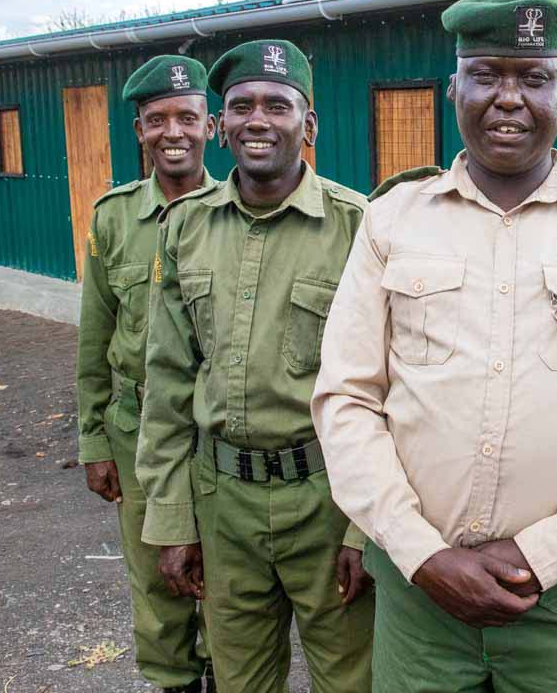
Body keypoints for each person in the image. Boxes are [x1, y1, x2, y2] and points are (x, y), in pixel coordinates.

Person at [311, 0, 557, 693]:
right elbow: (348, 399)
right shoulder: (392, 220)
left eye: (534, 78)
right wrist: (421, 554)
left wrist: (544, 554)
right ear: (453, 89)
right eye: (486, 74)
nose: (508, 98)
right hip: (420, 595)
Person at [136, 39, 374, 693]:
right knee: (240, 682)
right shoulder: (185, 227)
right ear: (221, 126)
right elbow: (167, 385)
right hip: (223, 503)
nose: (258, 120)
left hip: (328, 499)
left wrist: (366, 531)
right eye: (241, 107)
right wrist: (172, 519)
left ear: (309, 124)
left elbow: (391, 389)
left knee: (351, 680)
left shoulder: (359, 228)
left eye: (278, 105)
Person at [76, 54, 217, 693]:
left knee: (224, 581)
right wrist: (92, 440)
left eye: (187, 117)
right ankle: (173, 681)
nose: (172, 132)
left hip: (214, 432)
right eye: (157, 119)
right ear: (139, 131)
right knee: (155, 580)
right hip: (134, 431)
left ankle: (223, 674)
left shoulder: (236, 210)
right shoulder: (113, 217)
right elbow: (95, 338)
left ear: (210, 126)